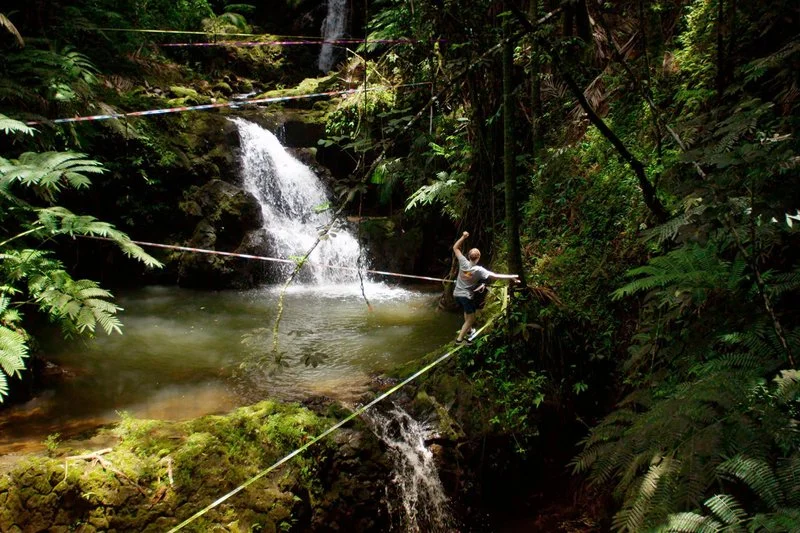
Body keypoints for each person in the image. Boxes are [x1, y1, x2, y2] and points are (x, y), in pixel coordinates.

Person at [452, 231, 519, 344]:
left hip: (457, 294)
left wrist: (463, 237)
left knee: (468, 312)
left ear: (468, 256)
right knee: (471, 319)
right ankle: (460, 340)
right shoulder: (479, 270)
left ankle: (469, 331)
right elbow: (496, 275)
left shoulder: (463, 262)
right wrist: (511, 276)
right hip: (466, 296)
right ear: (478, 258)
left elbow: (455, 247)